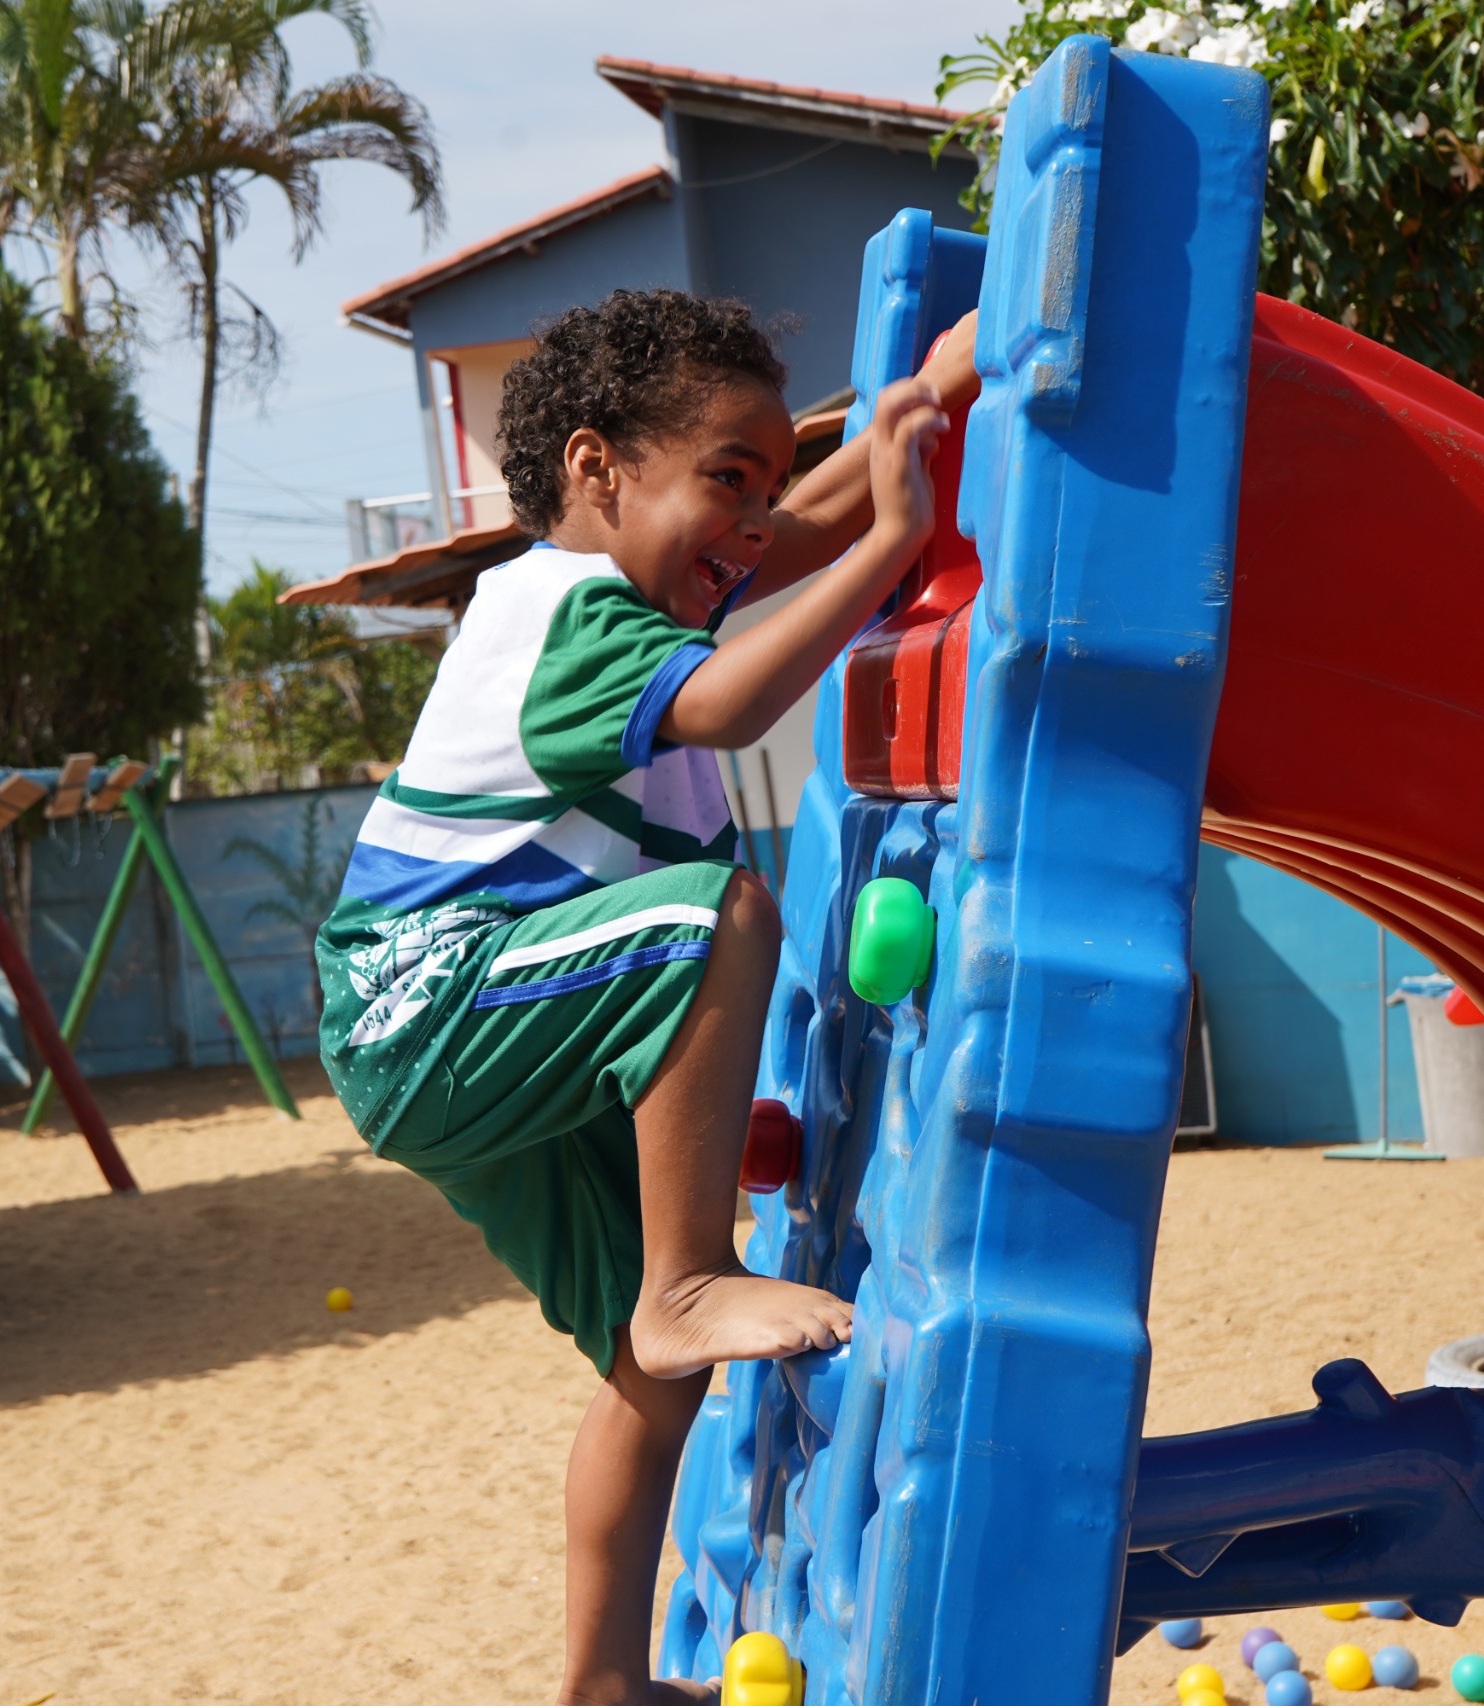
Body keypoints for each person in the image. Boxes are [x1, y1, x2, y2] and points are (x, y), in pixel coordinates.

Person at [313, 287, 977, 1705]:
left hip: (473, 1035)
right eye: (723, 483)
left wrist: (932, 394)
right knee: (719, 912)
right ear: (596, 471)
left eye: (762, 483)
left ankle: (602, 1686)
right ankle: (688, 1275)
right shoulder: (568, 613)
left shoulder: (666, 570)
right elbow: (735, 700)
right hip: (425, 997)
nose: (751, 528)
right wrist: (900, 541)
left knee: (646, 1363)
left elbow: (799, 520)